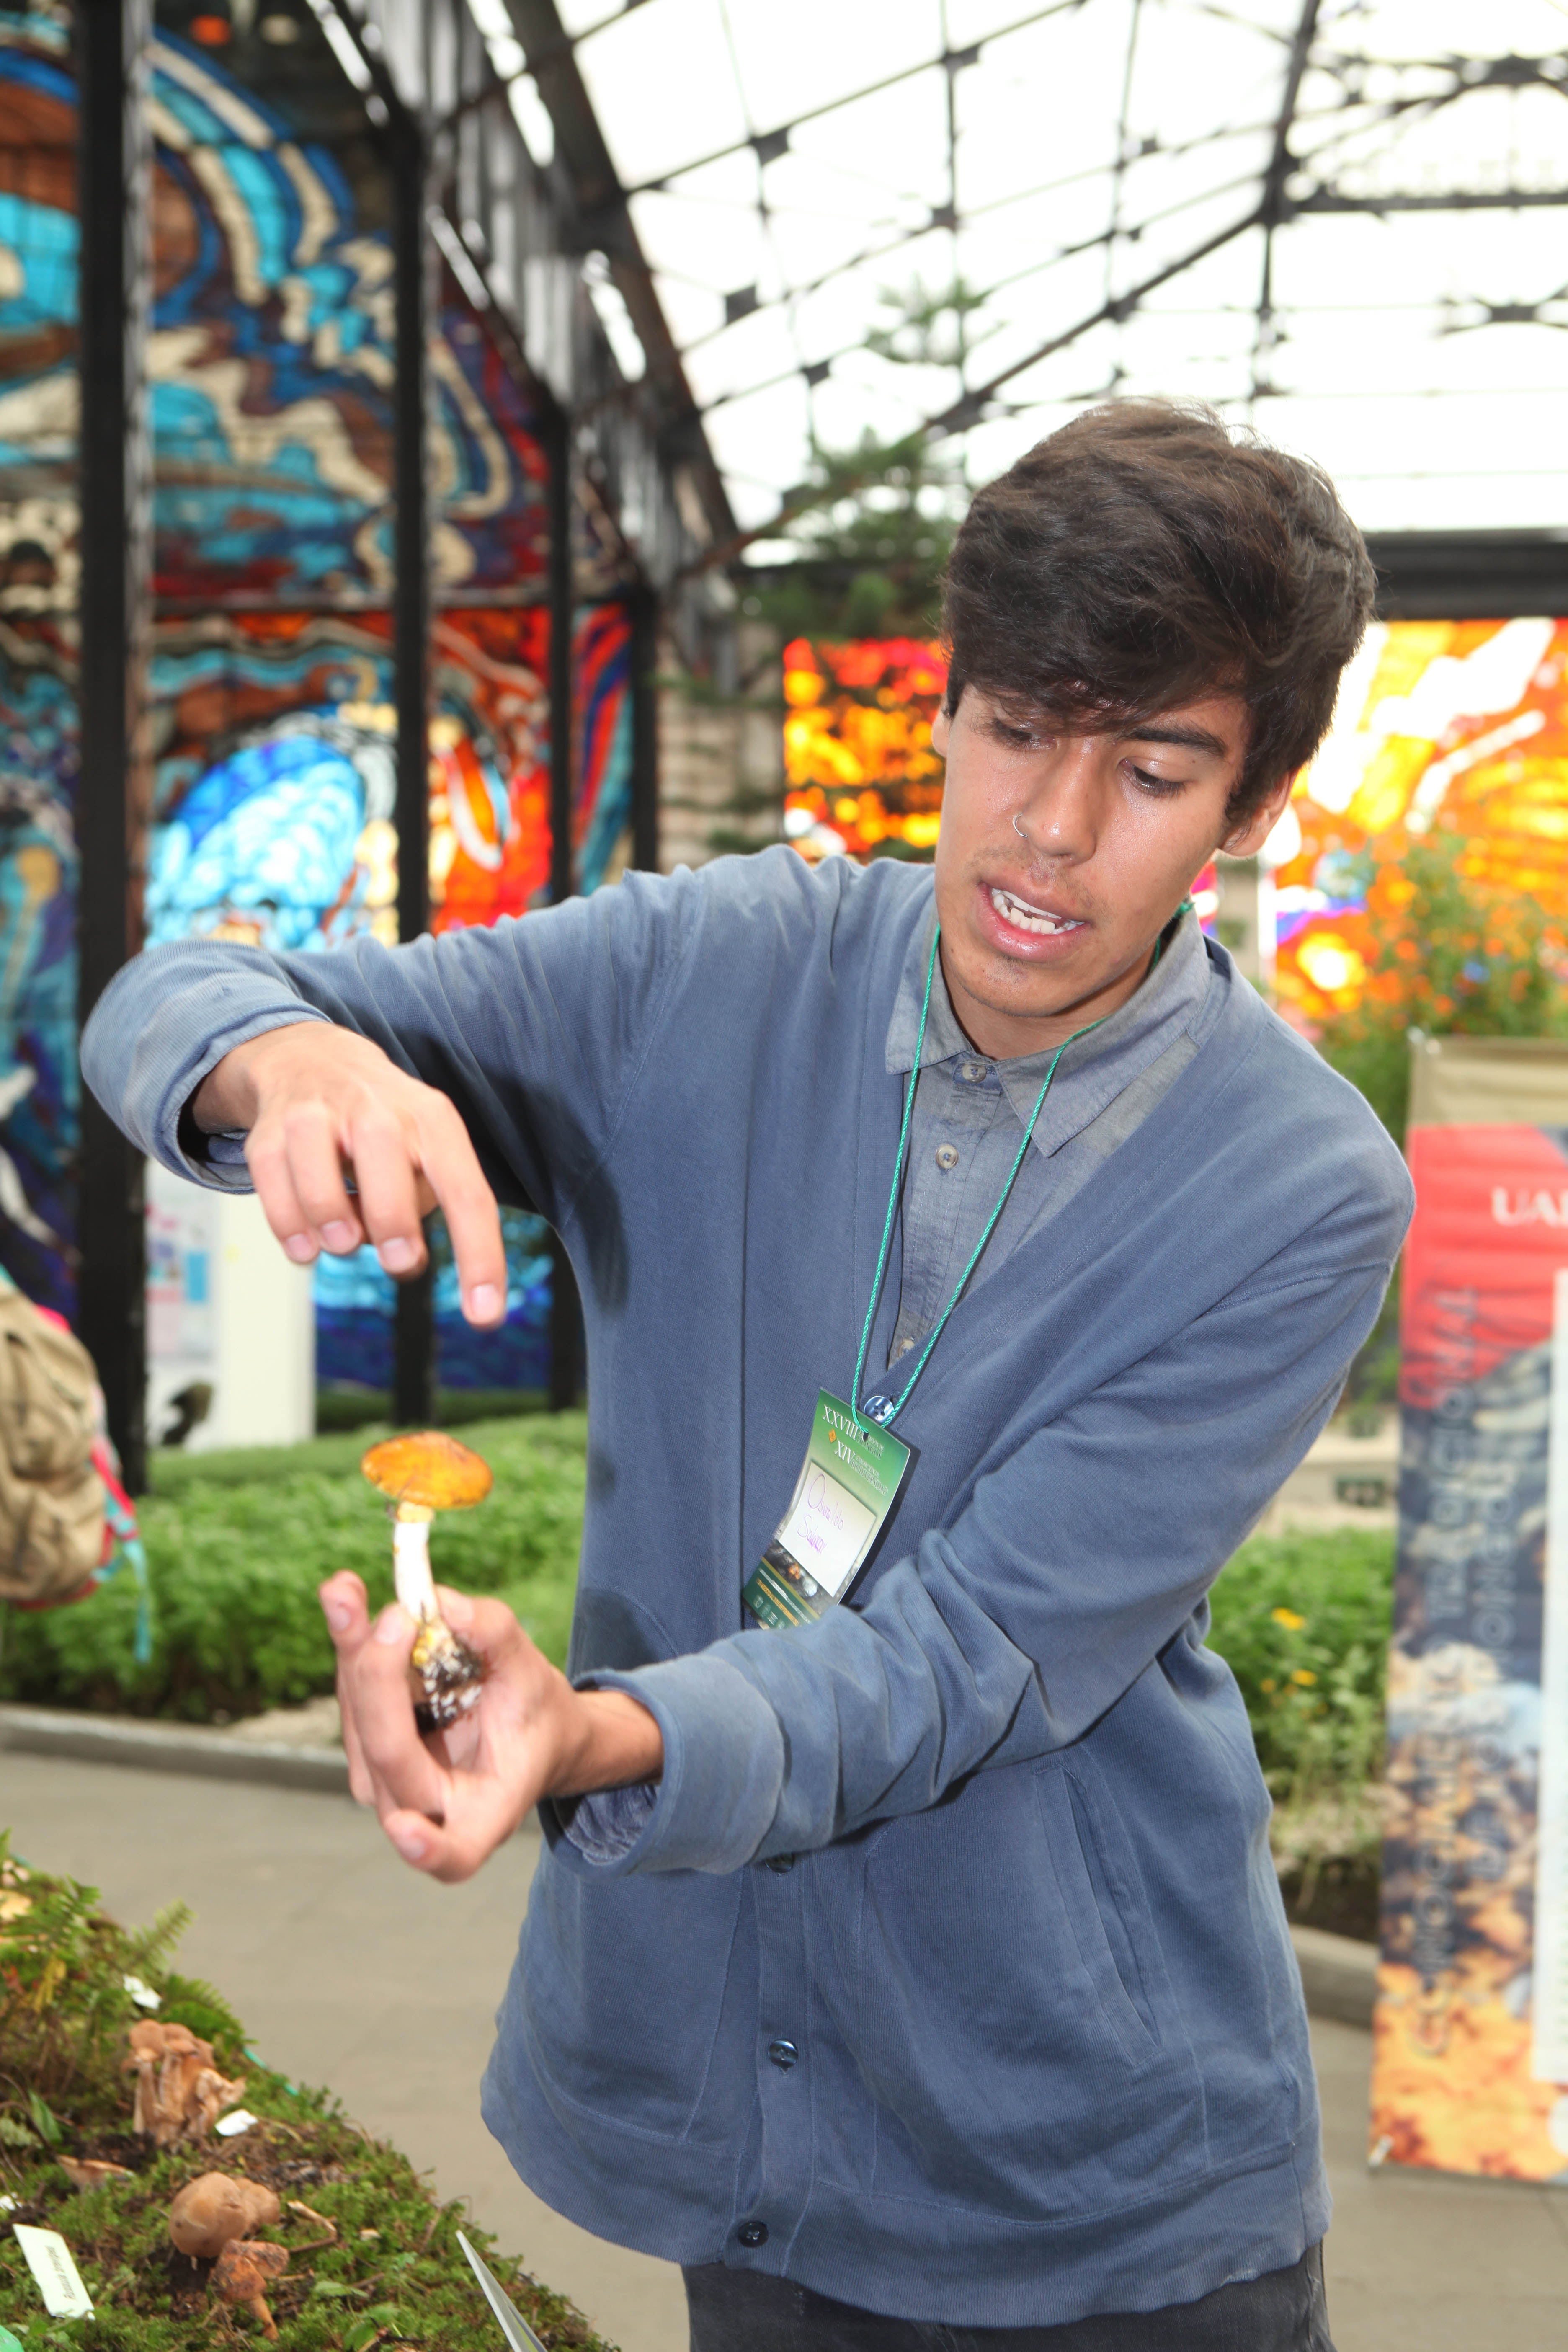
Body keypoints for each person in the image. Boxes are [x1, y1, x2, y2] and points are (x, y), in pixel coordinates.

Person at [84, 400, 1411, 2351]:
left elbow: (965, 1655)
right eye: (1016, 729)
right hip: (739, 2129)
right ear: (942, 707)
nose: (1053, 828)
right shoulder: (718, 969)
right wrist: (299, 1063)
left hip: (1084, 2167)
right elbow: (169, 994)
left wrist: (595, 1733)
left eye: (1151, 769)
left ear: (1258, 800)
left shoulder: (1297, 1186)